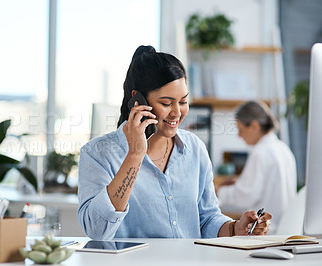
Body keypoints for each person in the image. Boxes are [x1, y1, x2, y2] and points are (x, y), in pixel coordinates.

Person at [77, 45, 272, 240]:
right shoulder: (98, 153)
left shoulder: (194, 148)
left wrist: (235, 228)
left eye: (183, 101)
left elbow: (206, 218)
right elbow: (97, 231)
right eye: (166, 103)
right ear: (138, 100)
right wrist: (135, 155)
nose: (177, 113)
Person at [216, 101, 297, 233]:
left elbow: (245, 196)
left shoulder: (260, 152)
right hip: (286, 230)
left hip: (266, 232)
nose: (239, 135)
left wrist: (219, 191)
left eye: (240, 129)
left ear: (254, 126)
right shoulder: (284, 149)